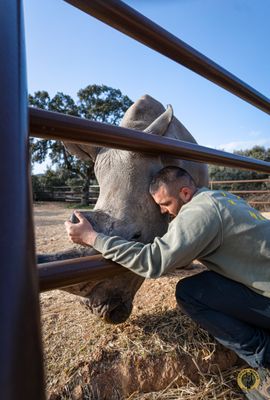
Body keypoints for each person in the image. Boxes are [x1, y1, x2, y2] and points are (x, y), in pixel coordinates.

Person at [65, 166, 270, 399]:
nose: (162, 211)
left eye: (166, 203)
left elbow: (153, 261)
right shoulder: (220, 198)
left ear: (184, 193)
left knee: (190, 292)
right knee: (209, 282)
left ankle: (264, 358)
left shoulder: (200, 213)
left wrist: (93, 238)